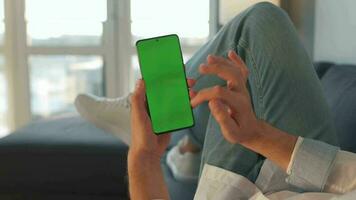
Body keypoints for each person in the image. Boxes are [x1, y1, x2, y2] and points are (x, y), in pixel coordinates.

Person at [76, 2, 356, 199]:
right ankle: (191, 148)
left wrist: (144, 158)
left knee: (258, 27)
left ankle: (189, 148)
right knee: (254, 32)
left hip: (228, 191)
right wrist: (258, 135)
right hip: (316, 184)